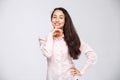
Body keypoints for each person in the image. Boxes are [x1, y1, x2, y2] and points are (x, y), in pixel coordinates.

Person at [39, 7, 97, 80]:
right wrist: (51, 34)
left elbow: (92, 55)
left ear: (65, 20)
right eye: (54, 17)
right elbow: (48, 53)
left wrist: (82, 71)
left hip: (70, 78)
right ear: (51, 20)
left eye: (61, 17)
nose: (57, 20)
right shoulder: (44, 39)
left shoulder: (72, 38)